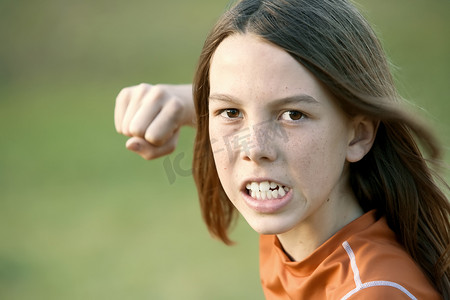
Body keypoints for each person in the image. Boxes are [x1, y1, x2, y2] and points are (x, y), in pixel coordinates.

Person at [114, 0, 450, 298]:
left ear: (357, 136)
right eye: (231, 112)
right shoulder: (298, 217)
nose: (256, 150)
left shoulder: (372, 292)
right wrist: (180, 100)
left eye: (293, 115)